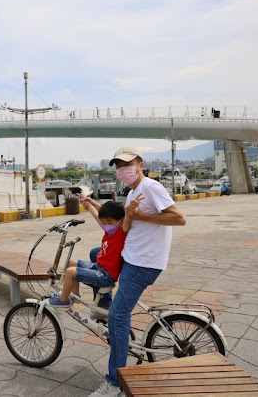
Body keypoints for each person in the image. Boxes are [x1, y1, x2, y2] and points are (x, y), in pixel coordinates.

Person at [88, 146, 186, 397]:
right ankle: (105, 299)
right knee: (93, 255)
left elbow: (178, 218)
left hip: (143, 264)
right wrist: (90, 203)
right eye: (119, 166)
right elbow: (124, 223)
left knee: (118, 318)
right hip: (131, 257)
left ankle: (114, 383)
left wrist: (140, 215)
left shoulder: (151, 187)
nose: (123, 170)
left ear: (141, 165)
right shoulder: (133, 191)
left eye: (127, 164)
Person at [45, 201, 130, 309]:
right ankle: (75, 295)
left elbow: (128, 219)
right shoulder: (109, 231)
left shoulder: (121, 233)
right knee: (71, 263)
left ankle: (63, 300)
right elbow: (97, 216)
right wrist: (89, 206)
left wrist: (131, 210)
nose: (106, 225)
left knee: (70, 272)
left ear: (121, 221)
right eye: (103, 223)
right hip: (99, 267)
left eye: (109, 222)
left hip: (105, 276)